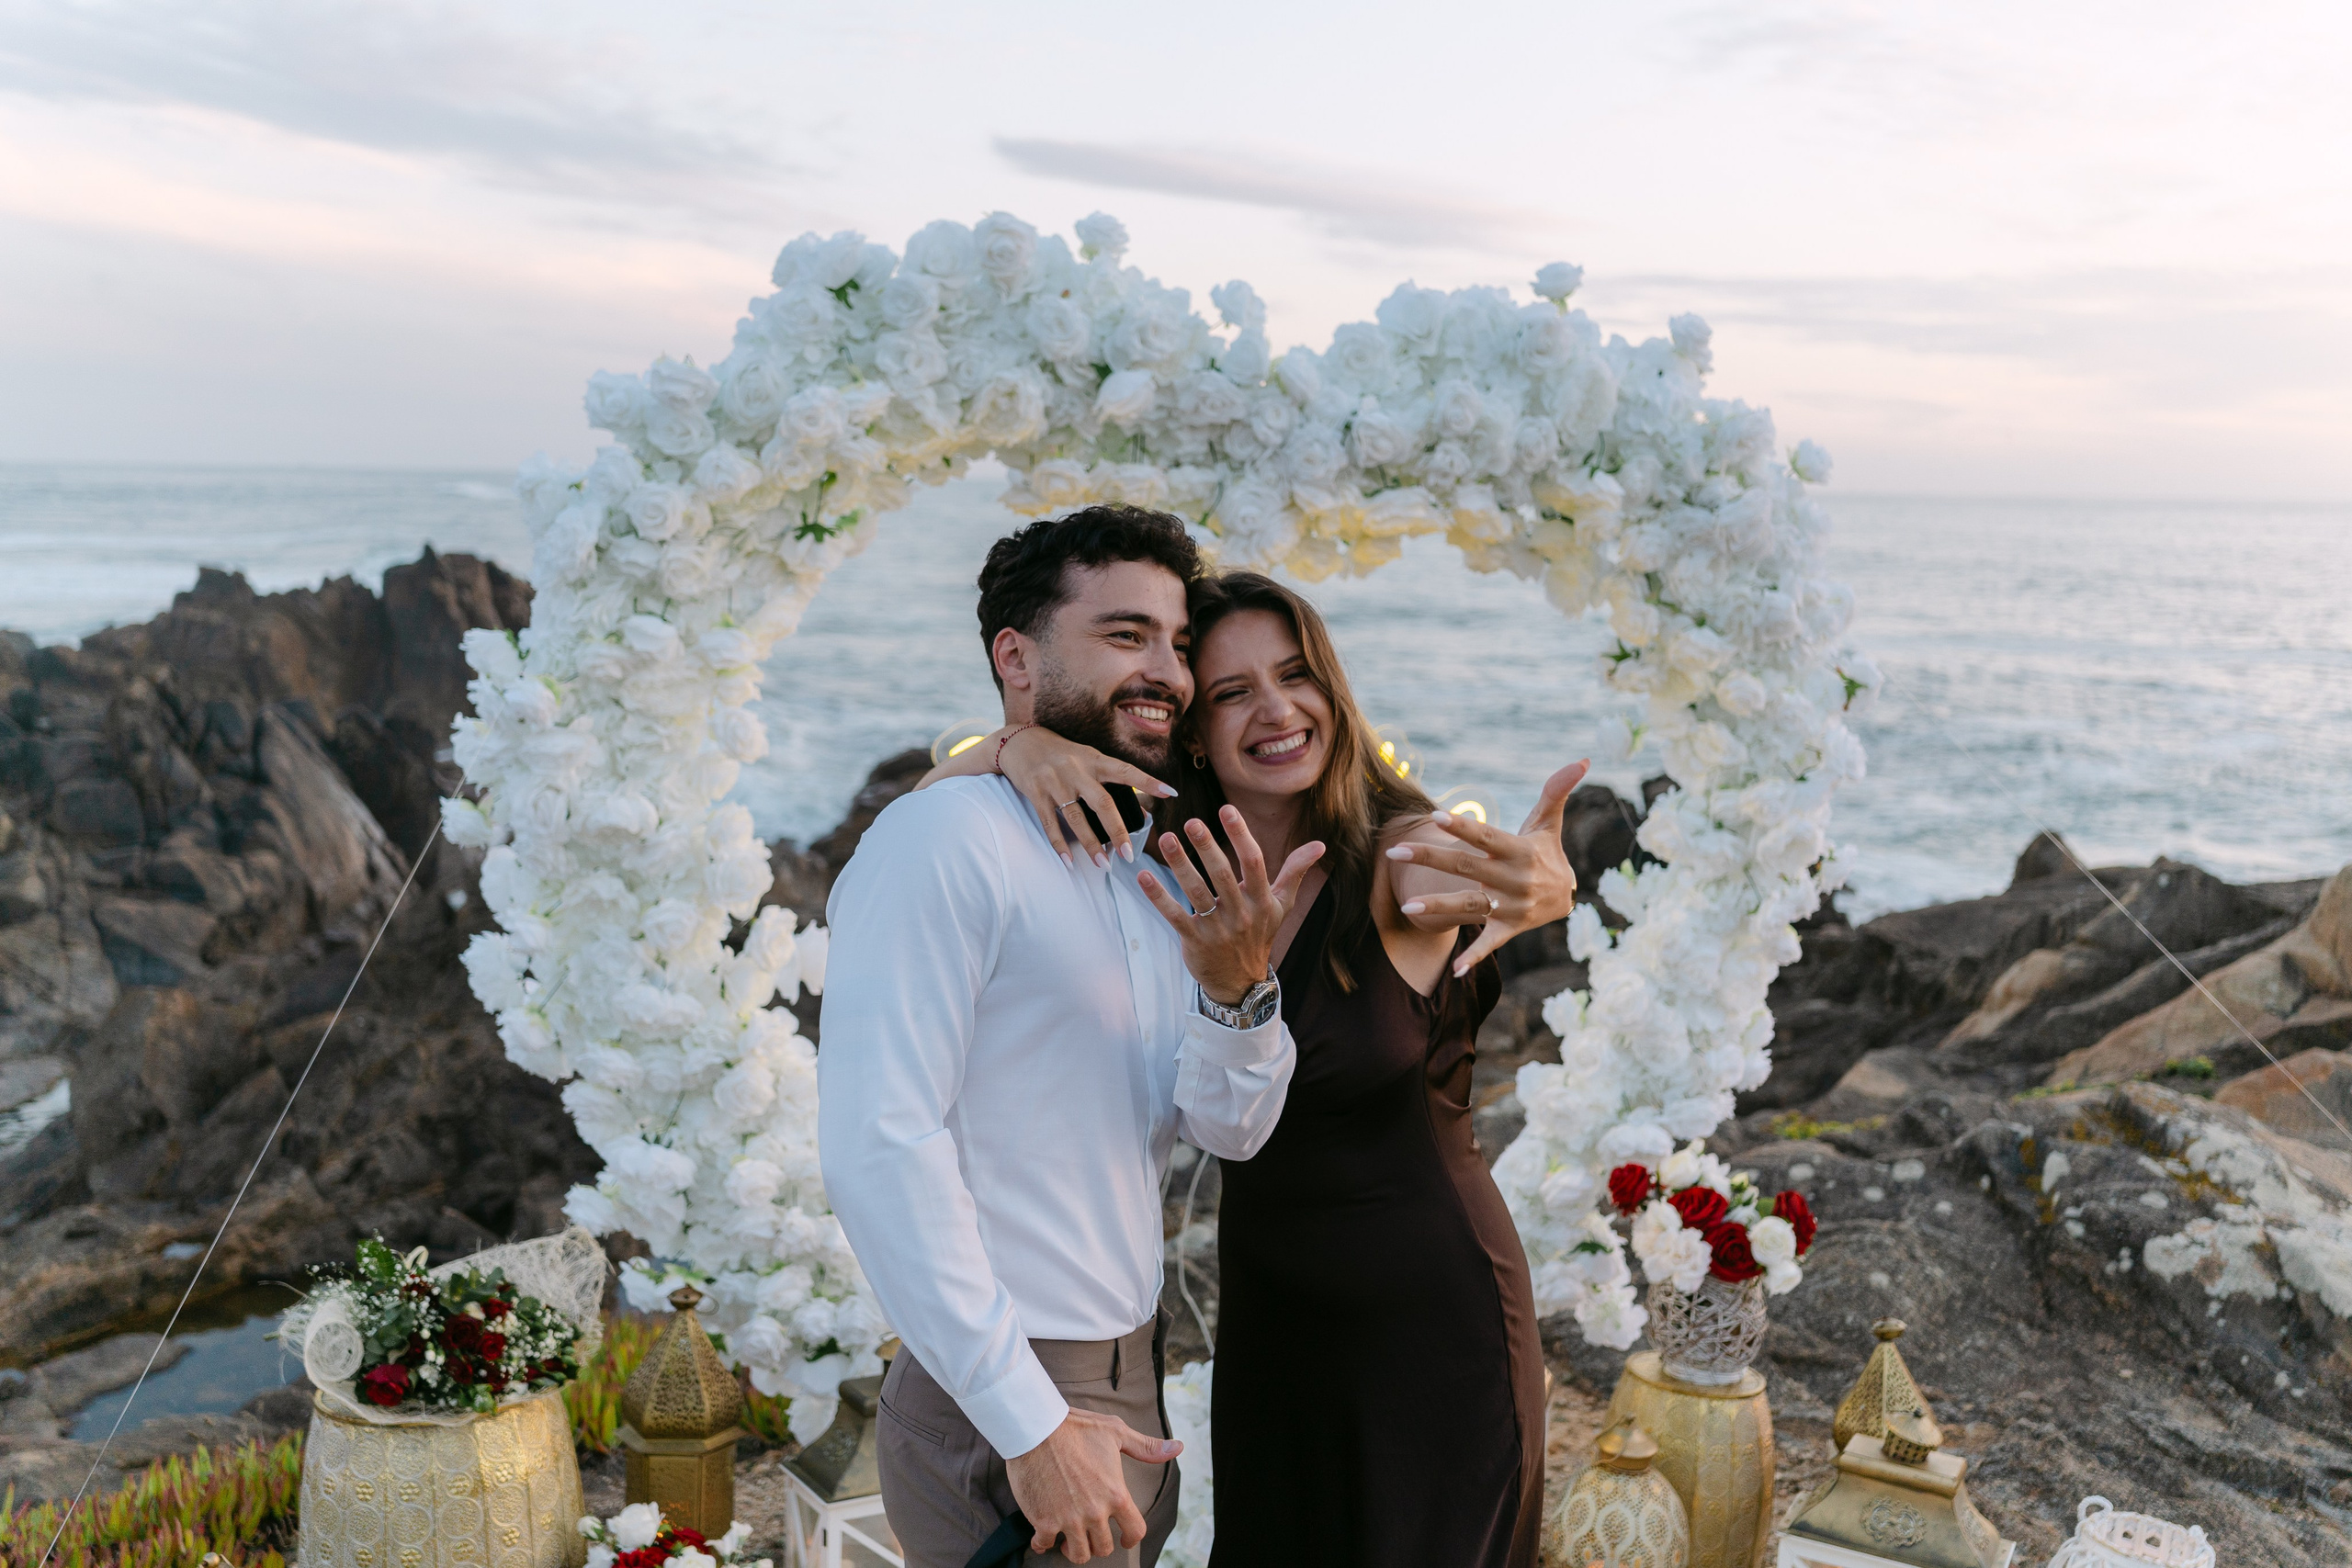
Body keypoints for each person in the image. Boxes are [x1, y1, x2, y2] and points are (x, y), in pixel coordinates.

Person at [951, 570, 1587, 1568]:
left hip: (1429, 1323)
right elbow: (922, 817)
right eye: (1233, 690)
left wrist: (1542, 875)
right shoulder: (1161, 866)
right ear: (1193, 729)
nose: (1277, 710)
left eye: (1297, 676)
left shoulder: (1397, 864)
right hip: (1273, 1324)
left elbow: (1482, 864)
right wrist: (1016, 744)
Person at [819, 506, 1325, 1568]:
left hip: (1130, 1366)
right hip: (1010, 1395)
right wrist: (1030, 1423)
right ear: (1017, 656)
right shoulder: (943, 842)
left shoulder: (1145, 858)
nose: (1169, 672)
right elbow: (880, 1144)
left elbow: (1227, 1130)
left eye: (1179, 646)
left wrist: (1237, 989)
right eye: (1125, 634)